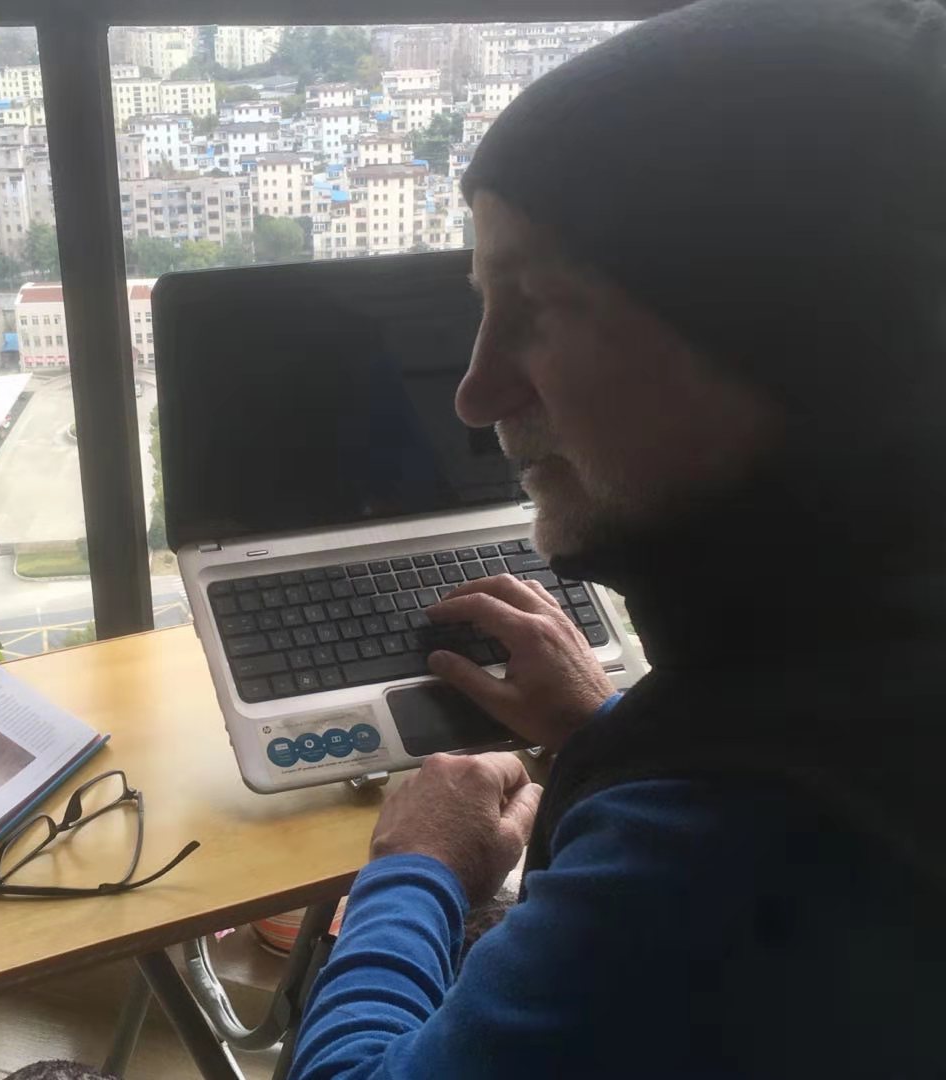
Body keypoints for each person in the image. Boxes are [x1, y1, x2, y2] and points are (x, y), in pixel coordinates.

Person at [290, 0, 946, 1076]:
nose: (475, 393)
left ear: (804, 339)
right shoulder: (858, 684)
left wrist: (414, 870)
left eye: (541, 305)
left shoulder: (726, 853)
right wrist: (604, 733)